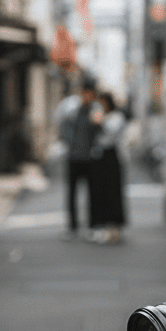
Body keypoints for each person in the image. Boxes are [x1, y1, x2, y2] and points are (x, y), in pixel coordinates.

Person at [57, 79, 101, 241]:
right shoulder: (72, 111)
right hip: (73, 157)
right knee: (72, 193)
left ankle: (92, 226)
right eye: (85, 93)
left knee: (92, 194)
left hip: (91, 158)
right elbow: (63, 128)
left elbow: (101, 132)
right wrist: (67, 144)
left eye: (90, 93)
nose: (87, 96)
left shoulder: (96, 112)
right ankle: (73, 226)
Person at [88, 92, 127, 244]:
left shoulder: (117, 117)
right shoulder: (98, 114)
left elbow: (112, 130)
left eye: (103, 102)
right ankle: (101, 225)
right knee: (99, 191)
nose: (102, 106)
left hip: (112, 155)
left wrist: (101, 120)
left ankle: (115, 225)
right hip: (98, 155)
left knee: (113, 191)